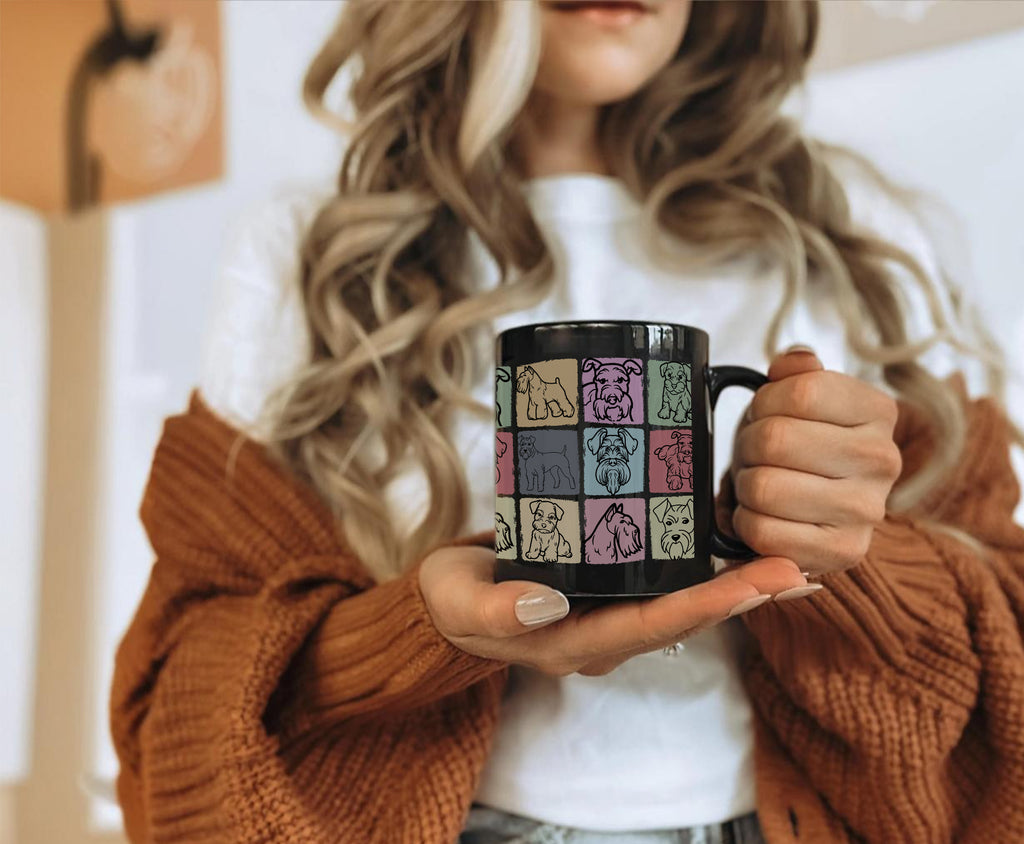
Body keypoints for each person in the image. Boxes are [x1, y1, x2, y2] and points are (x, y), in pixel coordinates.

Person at [109, 1, 1024, 843]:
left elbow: (1003, 654)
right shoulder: (314, 256)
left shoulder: (849, 233)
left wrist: (845, 560)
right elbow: (183, 686)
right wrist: (415, 633)